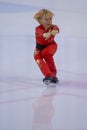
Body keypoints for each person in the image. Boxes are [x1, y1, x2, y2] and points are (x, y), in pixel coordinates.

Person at [33, 9, 60, 84]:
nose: (49, 21)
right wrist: (46, 34)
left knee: (46, 53)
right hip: (39, 48)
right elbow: (43, 34)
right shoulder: (38, 29)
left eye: (50, 19)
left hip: (51, 45)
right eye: (46, 19)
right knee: (37, 57)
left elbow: (56, 31)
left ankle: (53, 74)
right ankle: (49, 75)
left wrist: (51, 33)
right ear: (40, 20)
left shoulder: (54, 27)